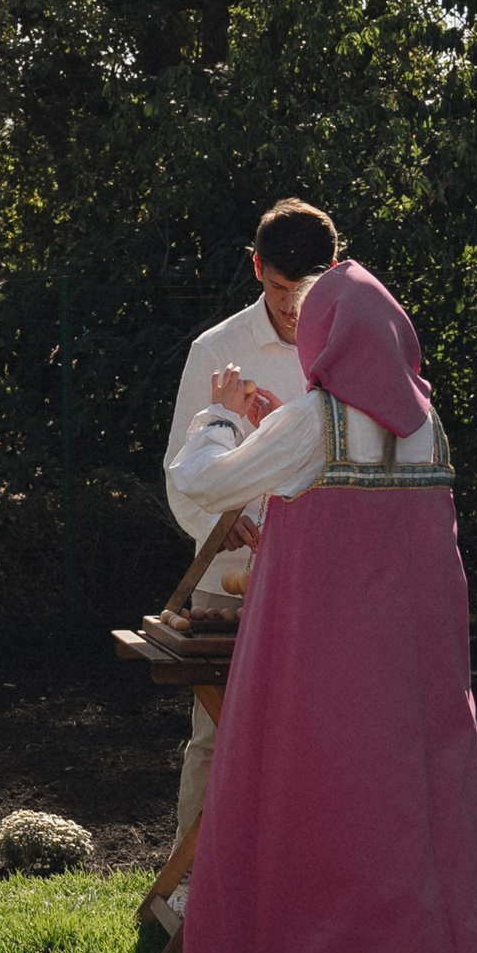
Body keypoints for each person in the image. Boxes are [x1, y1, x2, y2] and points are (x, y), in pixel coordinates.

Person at [167, 256, 477, 953]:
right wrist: (275, 431)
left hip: (320, 665)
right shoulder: (428, 424)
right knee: (411, 807)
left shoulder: (314, 421)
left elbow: (204, 484)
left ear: (328, 335)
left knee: (315, 798)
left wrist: (223, 415)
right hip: (416, 669)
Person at [156, 200, 337, 873]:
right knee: (216, 737)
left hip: (323, 581)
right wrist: (229, 528)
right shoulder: (218, 348)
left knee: (319, 743)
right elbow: (183, 478)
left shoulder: (351, 348)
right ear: (257, 269)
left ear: (336, 272)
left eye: (306, 291)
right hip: (228, 582)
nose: (292, 309)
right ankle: (185, 895)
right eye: (279, 290)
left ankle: (295, 887)